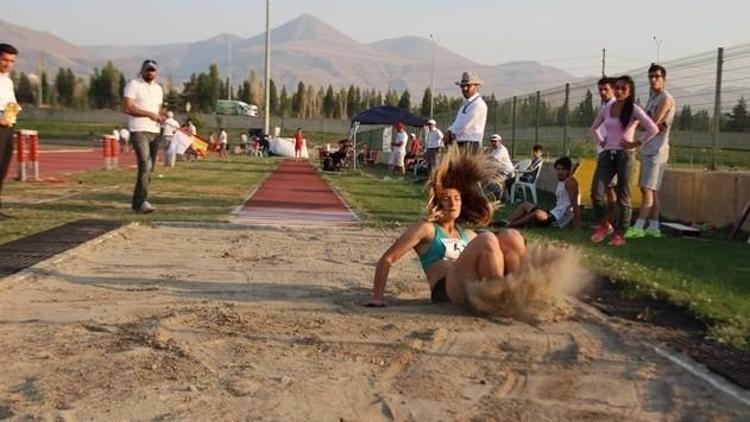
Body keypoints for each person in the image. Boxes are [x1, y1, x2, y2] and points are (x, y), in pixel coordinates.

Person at [364, 146, 527, 308]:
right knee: (487, 239)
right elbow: (388, 258)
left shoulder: (469, 235)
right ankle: (499, 298)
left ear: (462, 203)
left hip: (473, 286)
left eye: (456, 198)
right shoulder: (427, 229)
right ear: (437, 203)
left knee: (512, 236)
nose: (452, 203)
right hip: (446, 290)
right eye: (446, 199)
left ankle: (520, 295)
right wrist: (378, 297)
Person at [590, 75, 659, 246]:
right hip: (607, 154)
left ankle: (620, 234)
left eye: (624, 89)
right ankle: (605, 225)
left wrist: (637, 143)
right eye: (618, 88)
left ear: (629, 92)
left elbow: (653, 128)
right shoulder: (608, 108)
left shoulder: (634, 109)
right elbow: (594, 127)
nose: (619, 91)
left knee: (623, 197)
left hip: (625, 155)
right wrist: (601, 141)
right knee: (596, 192)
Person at [625, 64, 676, 239]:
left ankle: (638, 227)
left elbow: (653, 124)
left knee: (647, 189)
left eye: (657, 76)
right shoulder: (652, 98)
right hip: (649, 149)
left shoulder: (665, 99)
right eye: (651, 77)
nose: (653, 80)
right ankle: (654, 227)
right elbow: (643, 120)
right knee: (651, 190)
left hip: (657, 151)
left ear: (664, 79)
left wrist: (636, 141)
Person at [123, 59, 165, 214]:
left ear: (156, 72)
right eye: (148, 70)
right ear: (142, 70)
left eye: (153, 70)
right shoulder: (133, 84)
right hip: (139, 130)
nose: (150, 72)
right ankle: (141, 203)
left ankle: (139, 201)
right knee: (145, 165)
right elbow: (127, 108)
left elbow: (158, 111)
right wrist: (149, 114)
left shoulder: (158, 89)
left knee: (150, 167)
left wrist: (161, 118)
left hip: (154, 131)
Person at [504, 157, 581, 230]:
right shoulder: (563, 180)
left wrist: (577, 225)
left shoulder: (570, 183)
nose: (560, 172)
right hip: (552, 214)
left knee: (537, 213)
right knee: (525, 205)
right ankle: (505, 222)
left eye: (563, 169)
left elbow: (575, 204)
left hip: (556, 220)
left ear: (569, 170)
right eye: (558, 169)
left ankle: (512, 224)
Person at [594, 77, 618, 230]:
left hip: (612, 153)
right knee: (607, 190)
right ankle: (607, 222)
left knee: (608, 190)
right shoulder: (605, 107)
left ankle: (610, 222)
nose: (602, 92)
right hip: (604, 152)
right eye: (600, 90)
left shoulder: (615, 107)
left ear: (613, 90)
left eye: (605, 89)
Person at [446, 71, 487, 153]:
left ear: (476, 86)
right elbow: (457, 123)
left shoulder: (479, 104)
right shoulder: (464, 105)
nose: (464, 89)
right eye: (462, 86)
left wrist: (449, 132)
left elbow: (463, 126)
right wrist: (450, 131)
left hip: (471, 145)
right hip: (460, 144)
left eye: (468, 86)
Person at [0, 43, 19, 219]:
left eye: (11, 61)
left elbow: (11, 103)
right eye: (4, 59)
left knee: (3, 166)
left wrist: (13, 112)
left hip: (7, 125)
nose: (8, 64)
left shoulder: (7, 81)